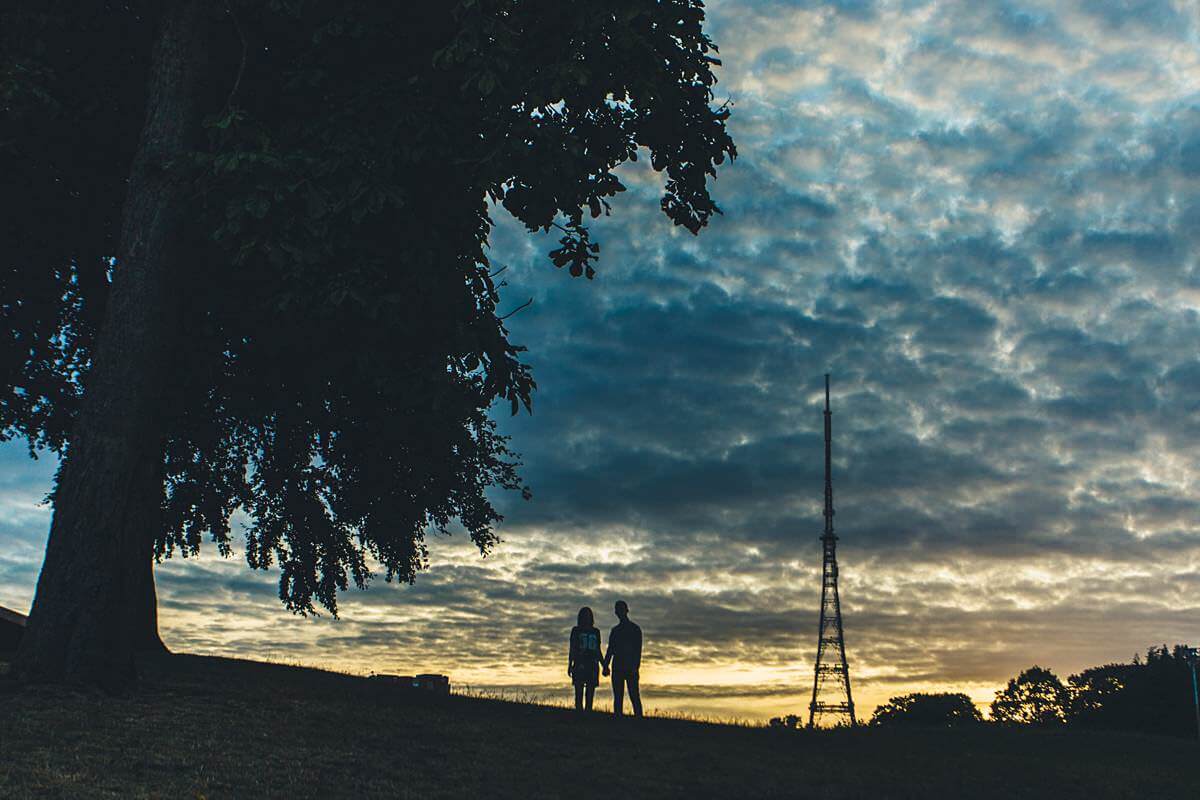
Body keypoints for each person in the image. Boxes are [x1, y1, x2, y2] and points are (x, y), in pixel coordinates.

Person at [602, 599, 643, 717]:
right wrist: (606, 665)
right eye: (618, 610)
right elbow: (610, 649)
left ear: (626, 611)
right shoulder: (616, 631)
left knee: (633, 696)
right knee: (619, 697)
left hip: (629, 667)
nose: (619, 612)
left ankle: (639, 720)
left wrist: (635, 667)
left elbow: (637, 651)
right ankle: (621, 720)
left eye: (620, 610)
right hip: (619, 667)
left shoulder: (634, 629)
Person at [568, 606, 602, 711]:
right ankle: (579, 712)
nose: (586, 618)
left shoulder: (596, 632)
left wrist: (604, 664)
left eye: (588, 615)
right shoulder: (576, 630)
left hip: (592, 664)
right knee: (579, 691)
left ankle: (588, 712)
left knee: (590, 692)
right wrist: (570, 664)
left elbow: (598, 649)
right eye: (585, 615)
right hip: (579, 663)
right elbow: (572, 648)